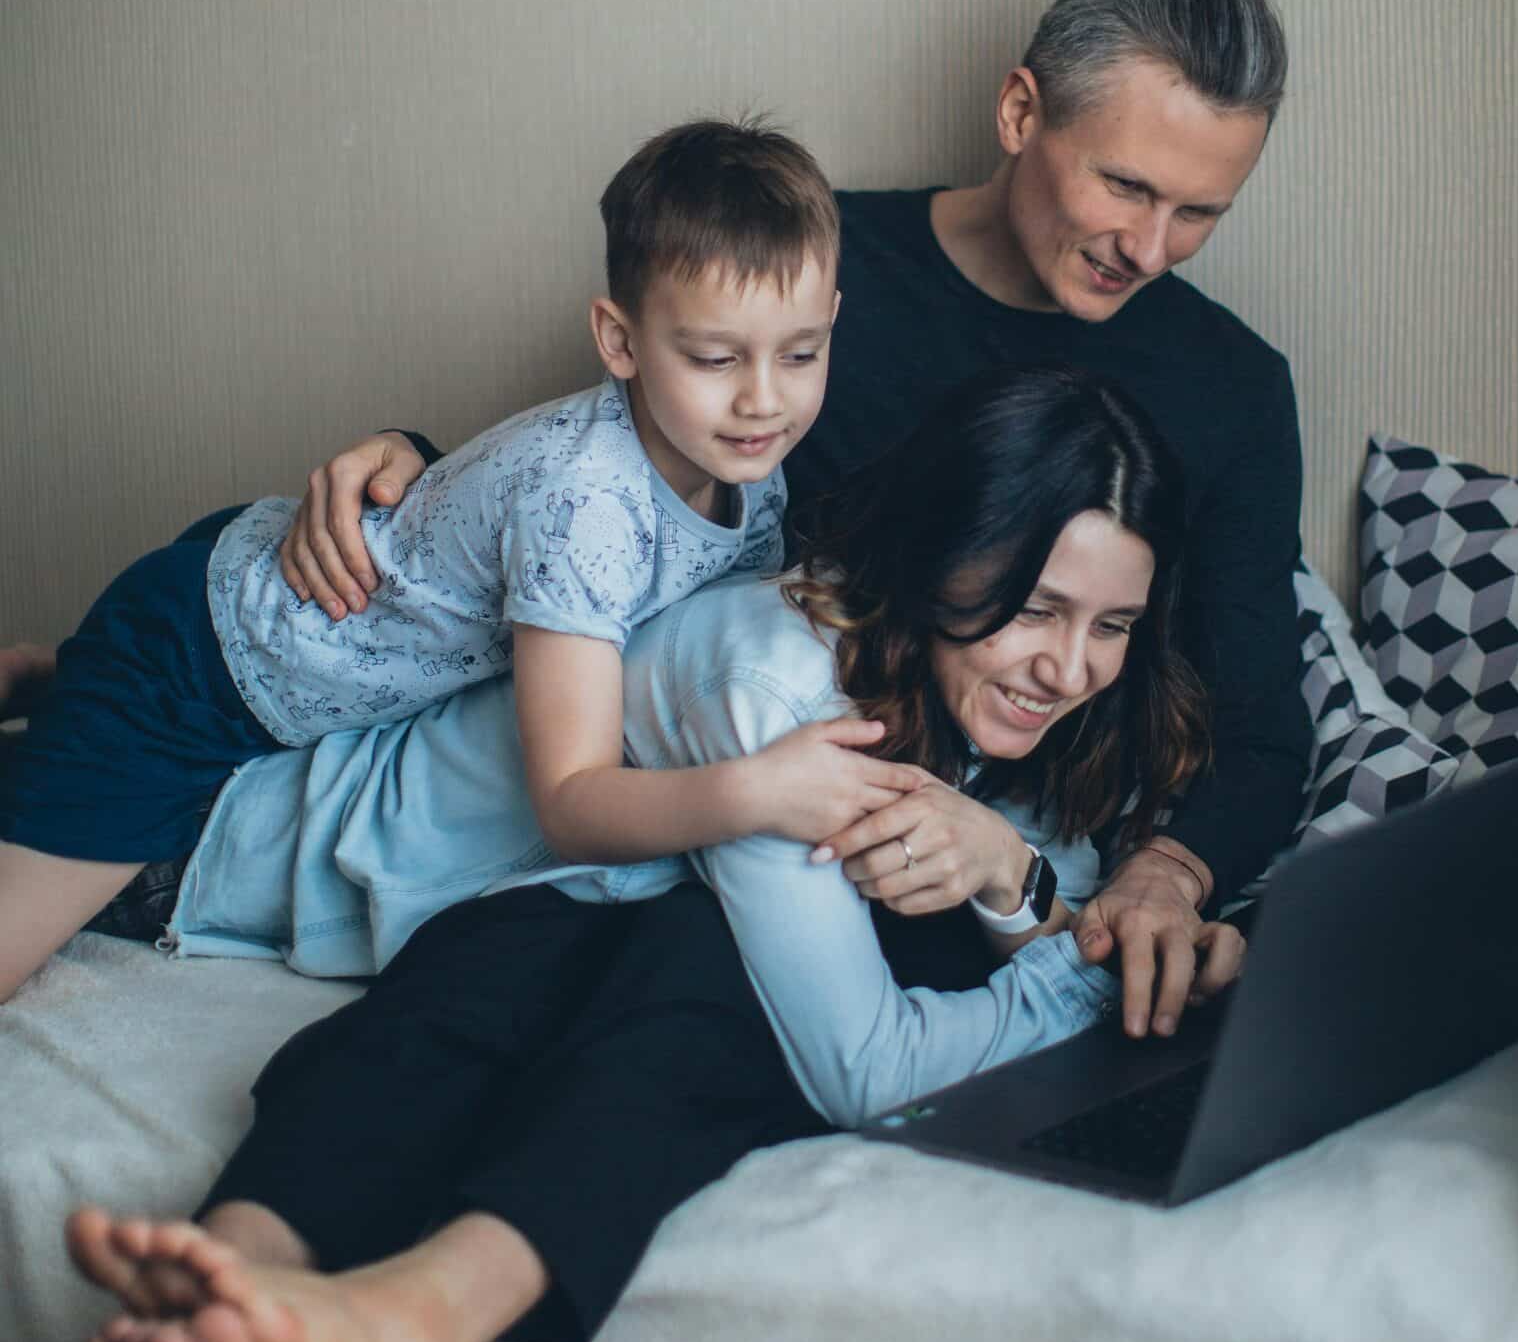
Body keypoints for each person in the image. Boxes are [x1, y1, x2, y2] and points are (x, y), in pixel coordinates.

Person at [65, 367, 1237, 1342]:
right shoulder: (774, 681)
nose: (1068, 667)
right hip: (210, 834)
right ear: (942, 552)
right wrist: (1083, 983)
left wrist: (1016, 874)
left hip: (519, 909)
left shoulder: (1023, 703)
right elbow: (863, 1065)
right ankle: (265, 1303)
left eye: (1113, 624)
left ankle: (243, 1309)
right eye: (1035, 608)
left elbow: (1061, 872)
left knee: (652, 956)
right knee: (661, 968)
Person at [280, 0, 1308, 1023]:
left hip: (984, 857)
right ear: (1022, 110)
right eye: (1126, 186)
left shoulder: (1234, 391)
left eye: (1200, 213)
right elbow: (611, 479)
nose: (1150, 248)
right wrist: (414, 468)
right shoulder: (821, 277)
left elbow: (1263, 732)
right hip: (757, 810)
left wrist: (1165, 876)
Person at [0, 118, 914, 1002]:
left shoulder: (749, 463)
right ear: (619, 341)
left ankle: (52, 674)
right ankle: (84, 678)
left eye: (800, 352)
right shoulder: (584, 505)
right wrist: (755, 791)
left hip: (290, 615)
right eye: (716, 359)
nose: (764, 400)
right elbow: (570, 802)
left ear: (833, 319)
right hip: (204, 665)